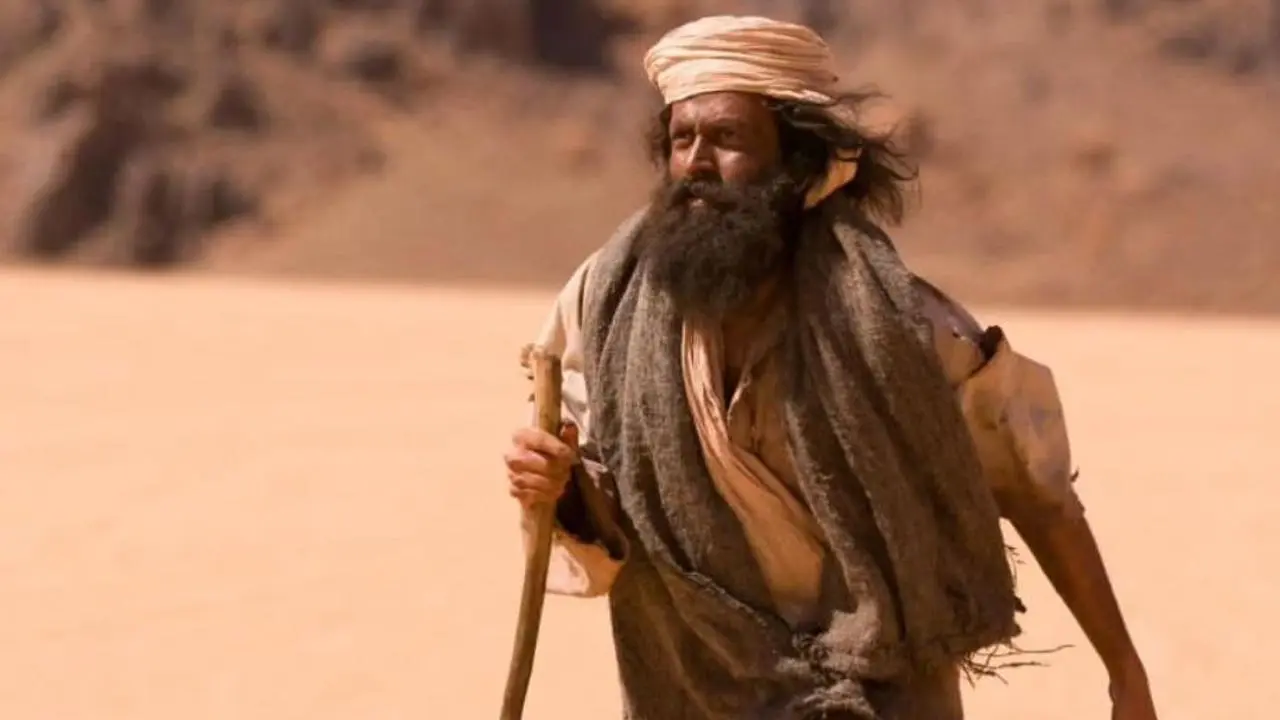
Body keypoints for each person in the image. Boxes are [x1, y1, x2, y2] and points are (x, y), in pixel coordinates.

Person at [503, 14, 1158, 720]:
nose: (696, 164)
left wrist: (1124, 672)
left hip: (877, 694)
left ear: (795, 160)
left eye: (728, 138)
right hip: (691, 689)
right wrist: (558, 485)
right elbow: (612, 506)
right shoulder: (605, 305)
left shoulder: (896, 327)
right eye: (681, 140)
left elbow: (1036, 491)